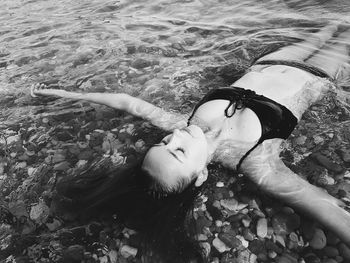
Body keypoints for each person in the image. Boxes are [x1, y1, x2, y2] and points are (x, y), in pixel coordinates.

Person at [31, 23, 350, 262]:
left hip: (270, 61)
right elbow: (326, 208)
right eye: (179, 152)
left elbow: (126, 102)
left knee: (326, 29)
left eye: (165, 142)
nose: (176, 137)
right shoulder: (255, 161)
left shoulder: (181, 123)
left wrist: (64, 95)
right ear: (201, 175)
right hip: (316, 73)